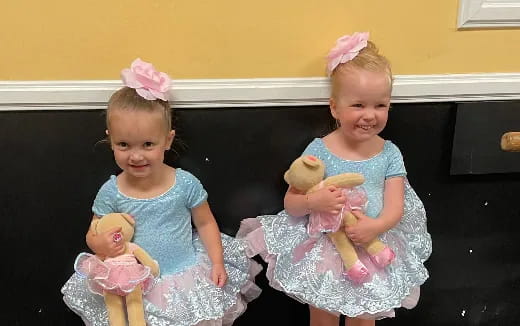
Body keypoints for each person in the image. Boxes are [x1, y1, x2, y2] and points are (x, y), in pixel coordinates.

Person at [237, 32, 432, 326]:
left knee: (364, 316)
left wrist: (375, 227)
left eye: (380, 105)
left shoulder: (390, 153)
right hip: (326, 247)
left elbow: (396, 207)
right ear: (334, 108)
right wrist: (314, 201)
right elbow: (291, 203)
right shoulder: (319, 150)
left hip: (371, 242)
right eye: (358, 105)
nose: (370, 115)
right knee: (323, 315)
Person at [62, 58, 261, 326]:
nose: (136, 155)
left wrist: (216, 262)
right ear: (110, 139)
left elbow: (204, 222)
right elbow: (94, 231)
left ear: (167, 140)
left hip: (185, 277)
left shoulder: (184, 183)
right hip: (133, 283)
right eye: (123, 144)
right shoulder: (112, 191)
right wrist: (100, 244)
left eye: (147, 144)